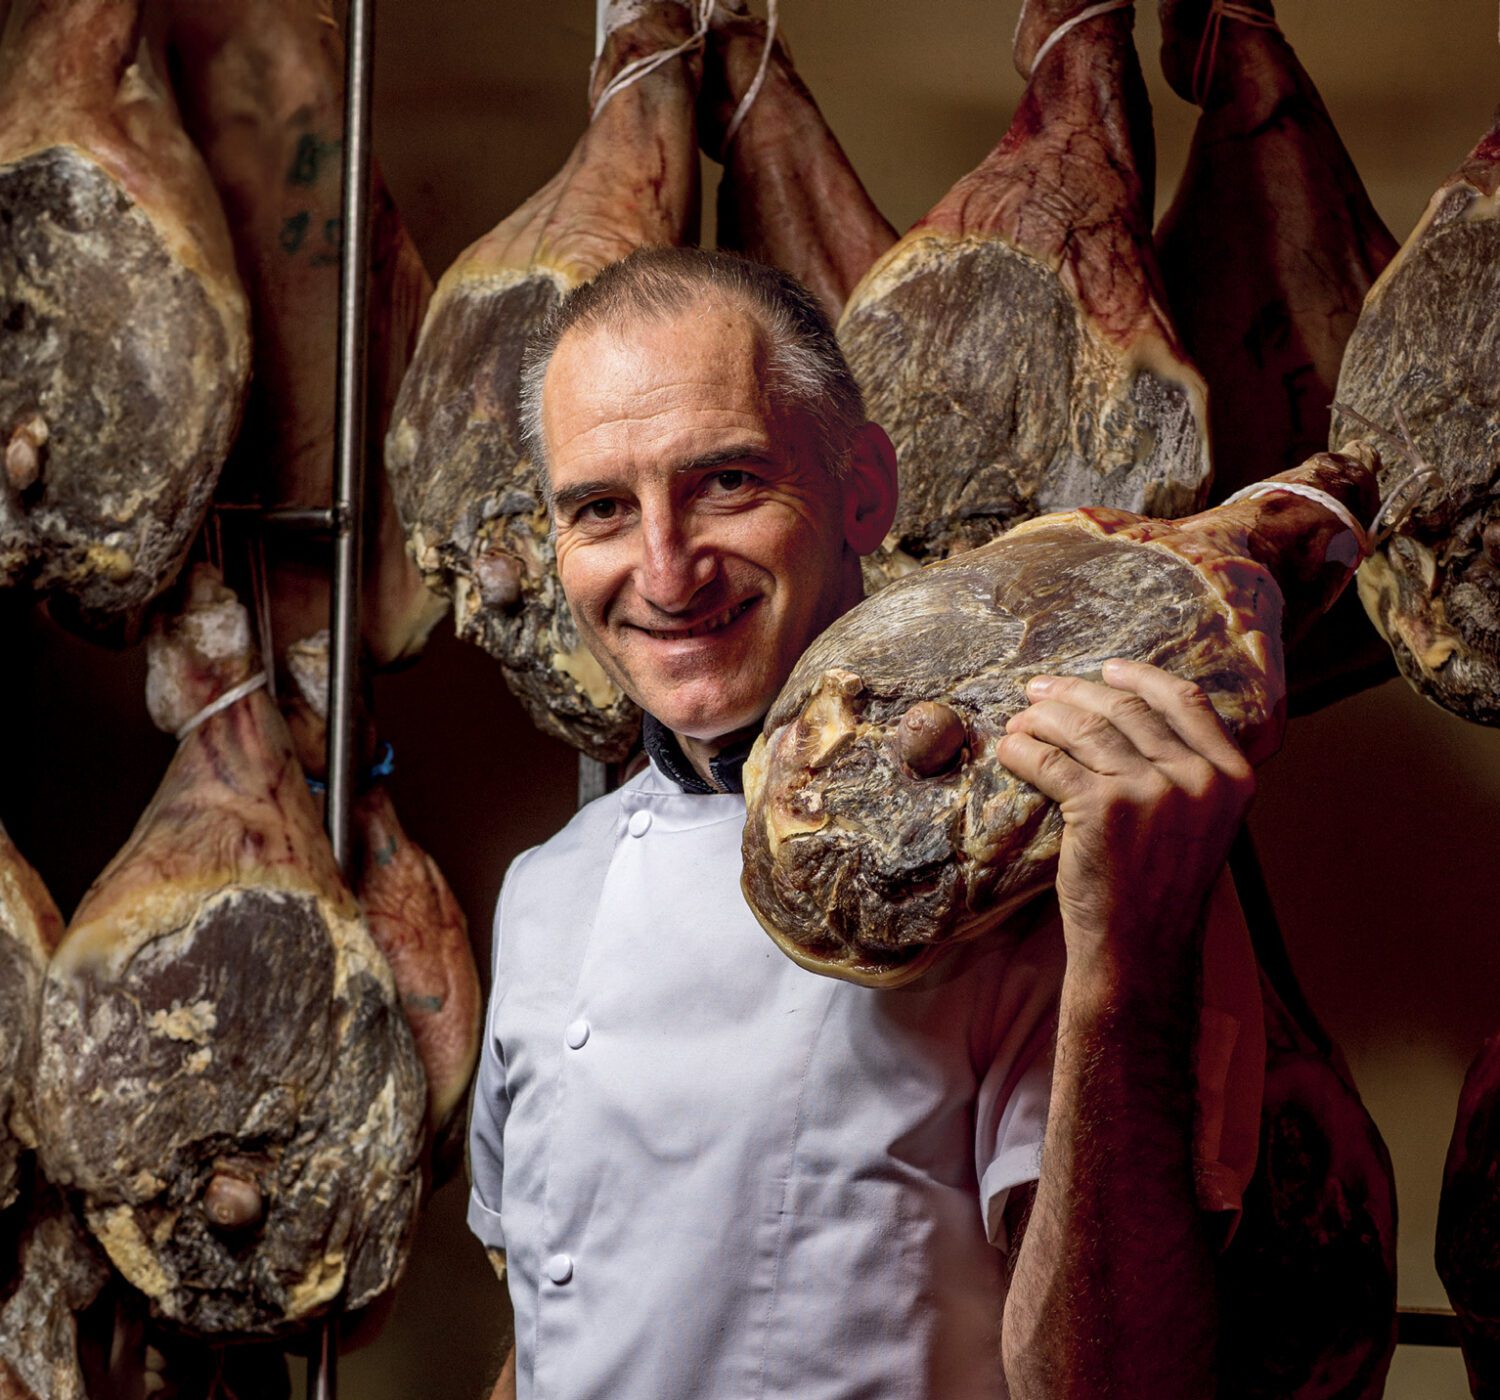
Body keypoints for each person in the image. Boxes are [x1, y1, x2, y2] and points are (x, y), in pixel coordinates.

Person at [467, 247, 1263, 1399]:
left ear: (865, 491)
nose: (665, 568)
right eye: (600, 508)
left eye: (726, 482)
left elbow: (1119, 1384)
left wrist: (1125, 969)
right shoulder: (546, 889)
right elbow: (550, 1331)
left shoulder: (1056, 858)